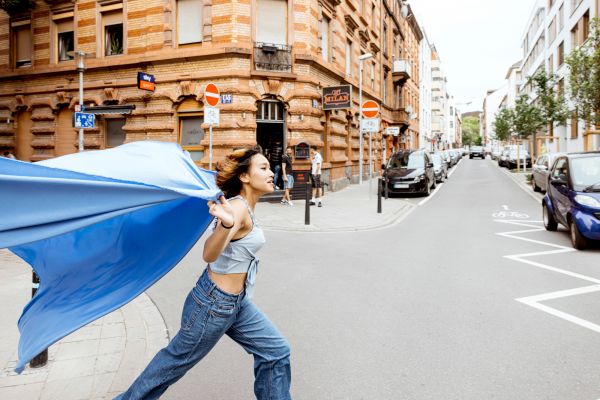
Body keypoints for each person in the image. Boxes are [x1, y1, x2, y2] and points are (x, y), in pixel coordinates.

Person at [115, 146, 292, 400]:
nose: (270, 173)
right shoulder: (237, 209)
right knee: (173, 363)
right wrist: (227, 225)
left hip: (236, 303)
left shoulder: (244, 207)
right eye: (262, 168)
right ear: (244, 177)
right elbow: (209, 254)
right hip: (213, 305)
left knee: (276, 351)